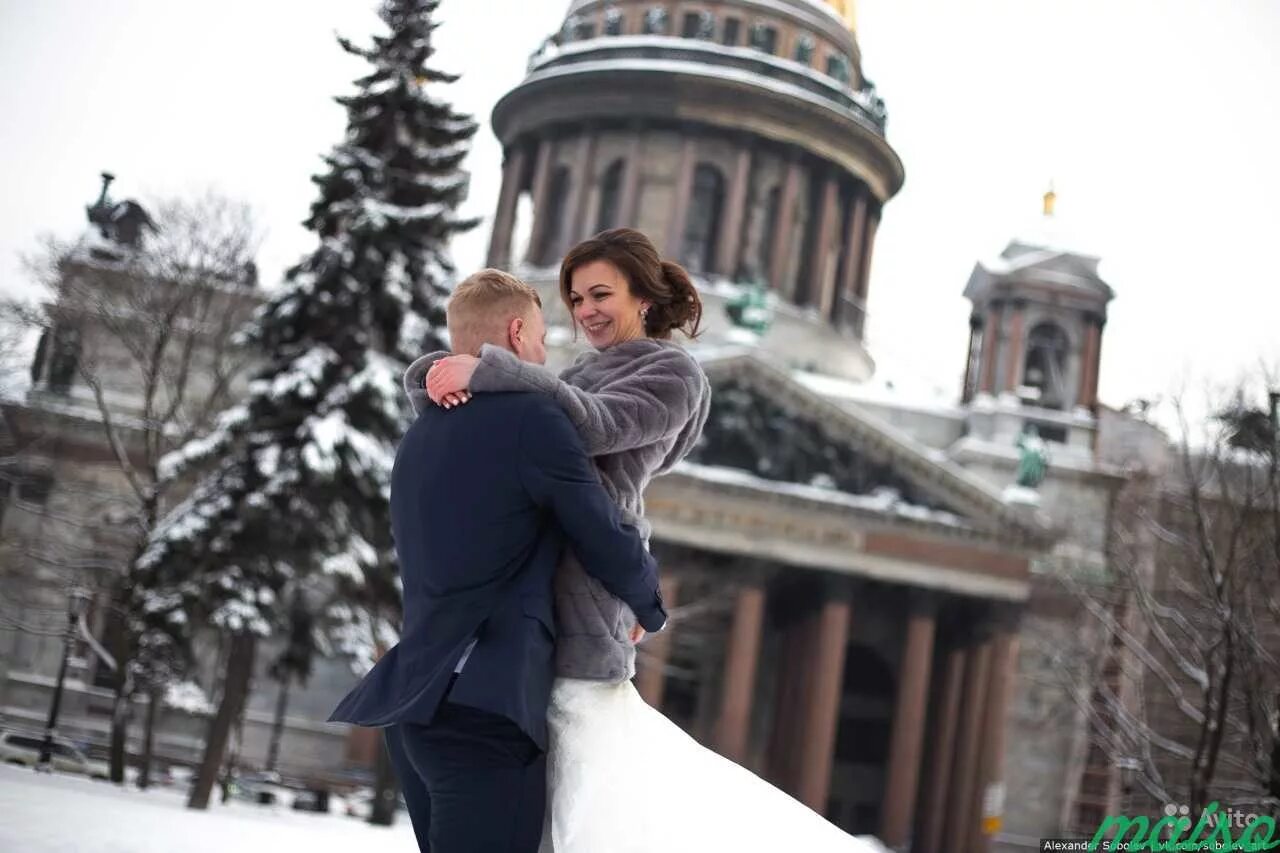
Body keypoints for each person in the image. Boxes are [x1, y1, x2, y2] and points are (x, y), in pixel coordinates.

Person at [418, 229, 881, 852]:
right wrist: (442, 373)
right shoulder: (578, 370)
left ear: (643, 296)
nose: (585, 312)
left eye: (601, 294)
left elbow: (593, 427)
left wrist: (490, 368)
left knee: (587, 783)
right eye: (576, 299)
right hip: (537, 588)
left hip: (587, 583)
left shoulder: (673, 371)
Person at [329, 269, 666, 853]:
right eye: (538, 339)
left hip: (416, 711)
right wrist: (649, 605)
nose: (542, 355)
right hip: (483, 710)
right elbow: (597, 527)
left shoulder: (423, 433)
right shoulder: (532, 421)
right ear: (515, 334)